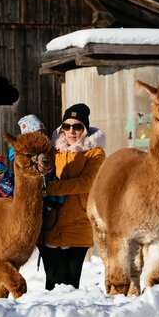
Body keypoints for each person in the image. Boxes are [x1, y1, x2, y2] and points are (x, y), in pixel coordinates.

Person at [41, 103, 105, 290]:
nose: (71, 131)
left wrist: (53, 188)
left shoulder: (95, 153)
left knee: (70, 284)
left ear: (85, 129)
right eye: (66, 126)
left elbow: (87, 182)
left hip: (78, 224)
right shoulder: (53, 151)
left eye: (77, 126)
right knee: (52, 282)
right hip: (51, 225)